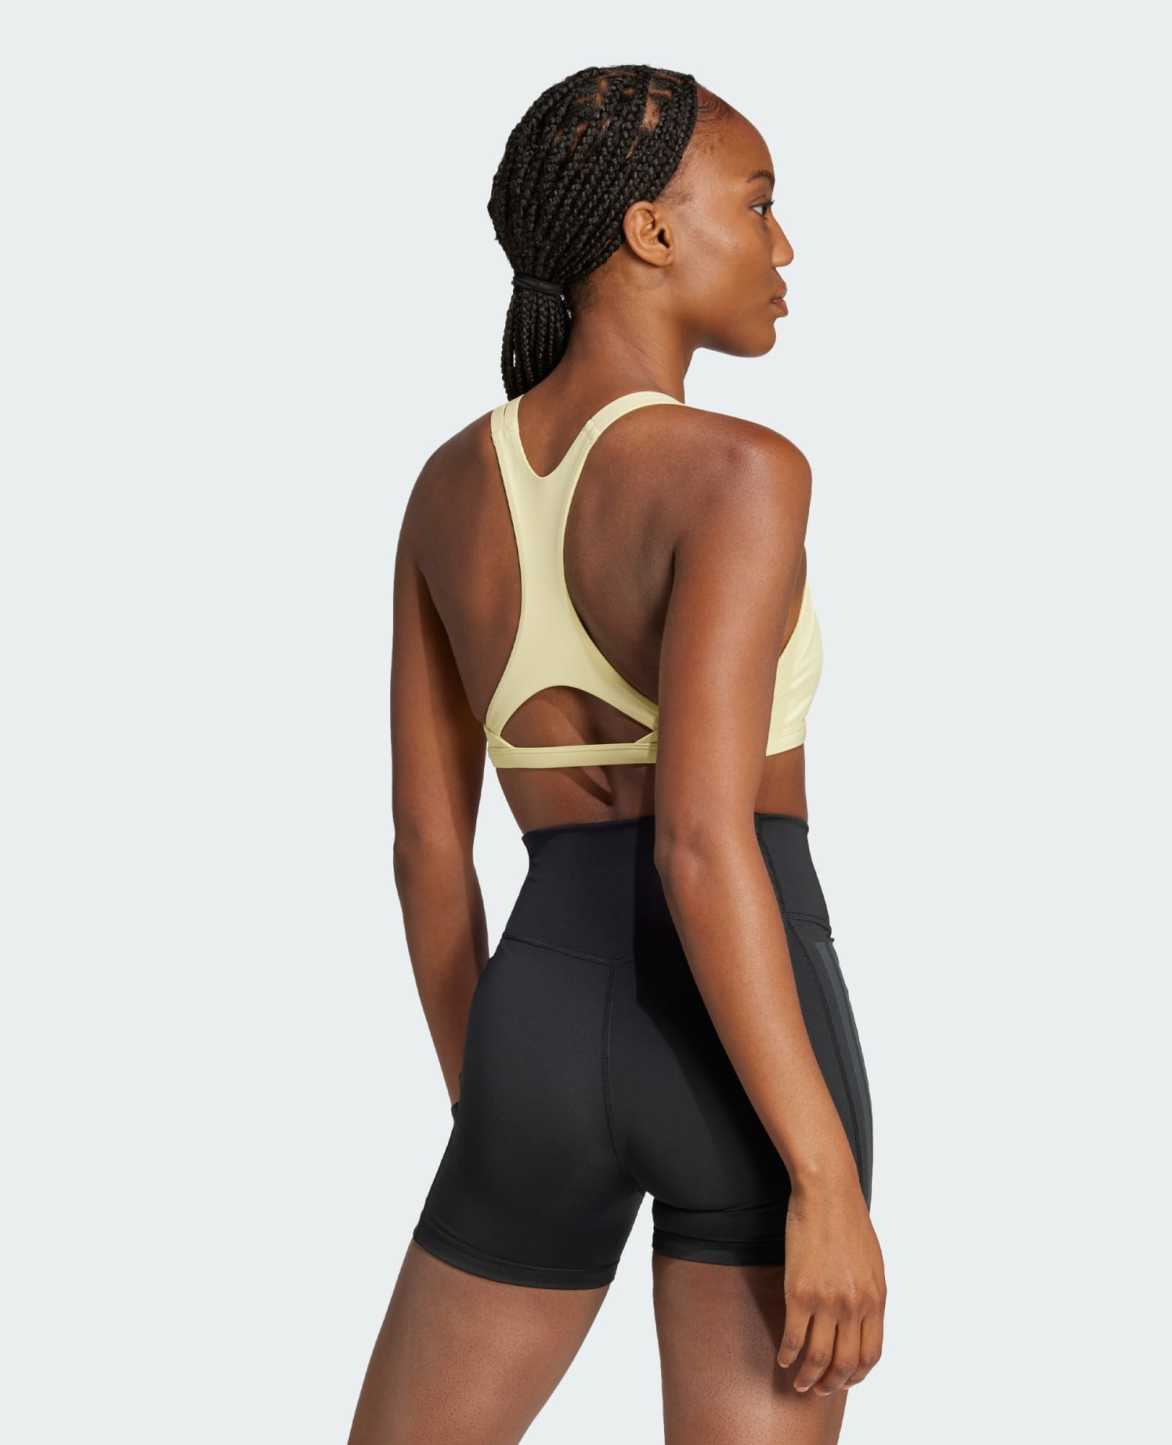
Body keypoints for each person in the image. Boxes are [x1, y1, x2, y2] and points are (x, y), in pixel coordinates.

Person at [347, 64, 885, 1444]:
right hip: (743, 1036)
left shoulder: (446, 488)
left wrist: (501, 1100)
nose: (781, 245)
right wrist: (824, 1179)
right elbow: (701, 842)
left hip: (532, 1017)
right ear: (649, 230)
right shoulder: (738, 471)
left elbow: (426, 853)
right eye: (755, 204)